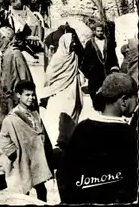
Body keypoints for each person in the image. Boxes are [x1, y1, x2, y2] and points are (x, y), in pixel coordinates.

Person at [56, 73, 138, 204]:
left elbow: (65, 173)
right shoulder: (128, 135)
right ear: (123, 101)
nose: (137, 102)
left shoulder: (82, 128)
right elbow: (131, 182)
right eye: (136, 97)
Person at [0, 80, 53, 202]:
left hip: (36, 158)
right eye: (27, 95)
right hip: (22, 159)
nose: (31, 98)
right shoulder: (12, 118)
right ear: (18, 95)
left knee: (41, 188)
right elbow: (3, 138)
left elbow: (40, 131)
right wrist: (14, 153)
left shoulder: (34, 113)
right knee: (24, 190)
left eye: (33, 95)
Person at [39, 33, 83, 153]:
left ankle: (70, 139)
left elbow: (76, 71)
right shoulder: (58, 57)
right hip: (60, 92)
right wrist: (49, 88)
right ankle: (62, 141)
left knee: (73, 114)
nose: (73, 44)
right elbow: (50, 74)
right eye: (71, 42)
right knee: (62, 116)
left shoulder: (74, 56)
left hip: (73, 90)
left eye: (74, 42)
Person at [0, 27, 34, 136]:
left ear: (6, 39)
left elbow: (25, 79)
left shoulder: (15, 54)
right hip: (6, 98)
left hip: (14, 99)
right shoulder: (7, 53)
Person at [81, 22, 119, 111]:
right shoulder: (89, 43)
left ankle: (107, 108)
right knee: (95, 90)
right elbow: (86, 58)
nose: (100, 33)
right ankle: (97, 107)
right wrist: (87, 72)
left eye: (101, 31)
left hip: (107, 70)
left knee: (108, 89)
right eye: (98, 31)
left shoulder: (109, 42)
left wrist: (114, 66)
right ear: (94, 31)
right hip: (95, 72)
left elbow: (113, 56)